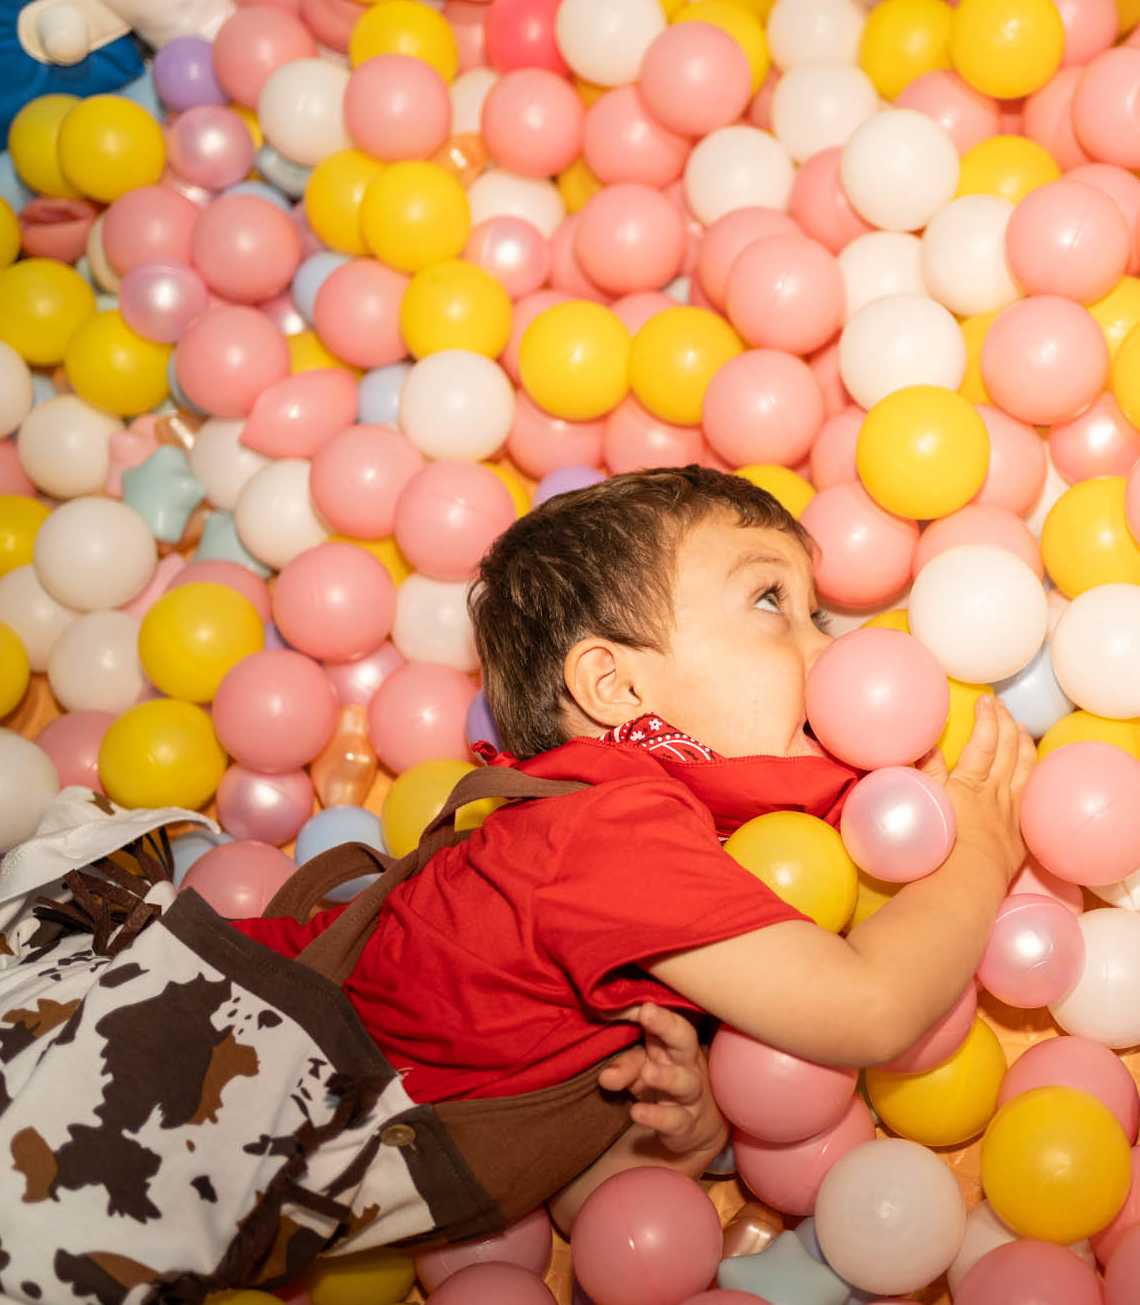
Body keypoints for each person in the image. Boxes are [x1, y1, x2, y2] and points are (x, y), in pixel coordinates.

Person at [232, 465, 1038, 1226]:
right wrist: (981, 849)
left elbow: (575, 1204)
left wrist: (683, 1135)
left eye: (816, 616)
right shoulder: (605, 830)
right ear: (617, 687)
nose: (832, 652)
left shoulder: (689, 861)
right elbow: (871, 1009)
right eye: (770, 601)